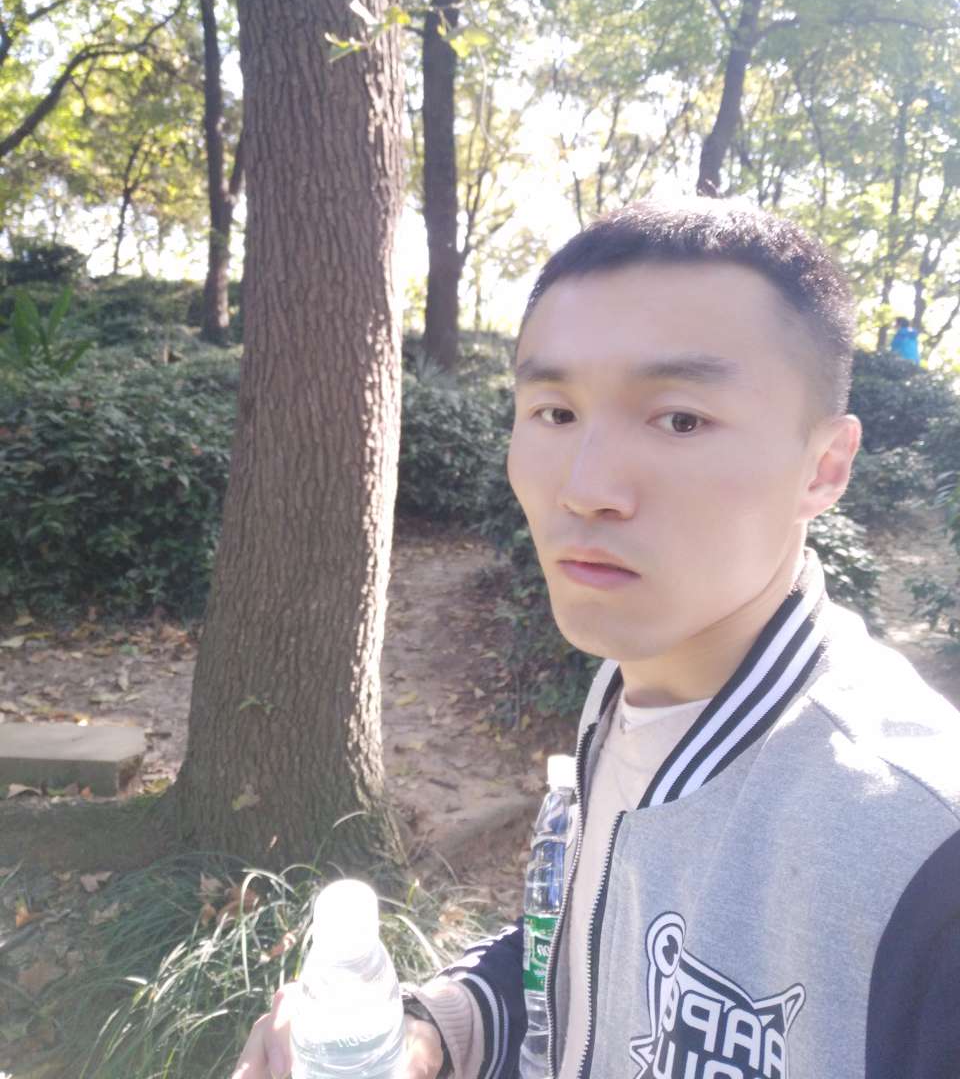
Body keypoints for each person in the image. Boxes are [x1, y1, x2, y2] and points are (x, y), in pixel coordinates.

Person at [233, 198, 960, 1079]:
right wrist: (433, 1033)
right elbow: (591, 952)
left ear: (825, 467)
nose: (585, 488)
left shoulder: (926, 854)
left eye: (680, 419)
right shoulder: (633, 691)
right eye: (555, 413)